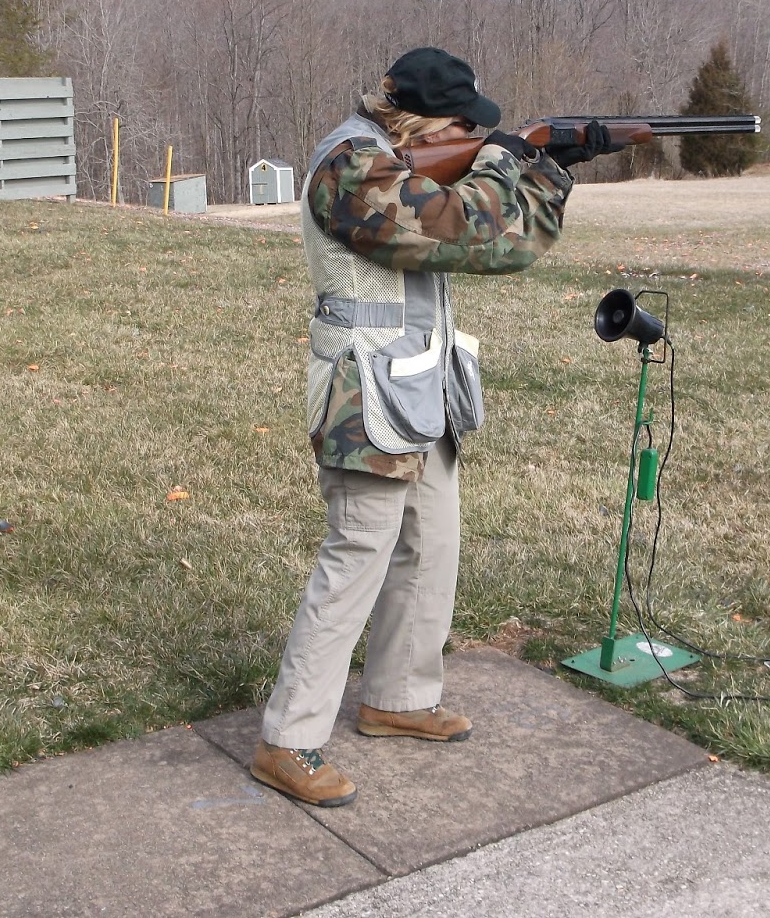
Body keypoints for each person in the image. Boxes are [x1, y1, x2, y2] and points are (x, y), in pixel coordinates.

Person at [252, 47, 615, 807]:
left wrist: (547, 171)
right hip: (365, 400)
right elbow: (464, 232)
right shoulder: (350, 169)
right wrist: (506, 164)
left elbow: (508, 244)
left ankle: (399, 696)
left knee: (431, 547)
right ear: (420, 120)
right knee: (357, 557)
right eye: (464, 126)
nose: (475, 137)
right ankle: (289, 737)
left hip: (420, 389)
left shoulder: (399, 159)